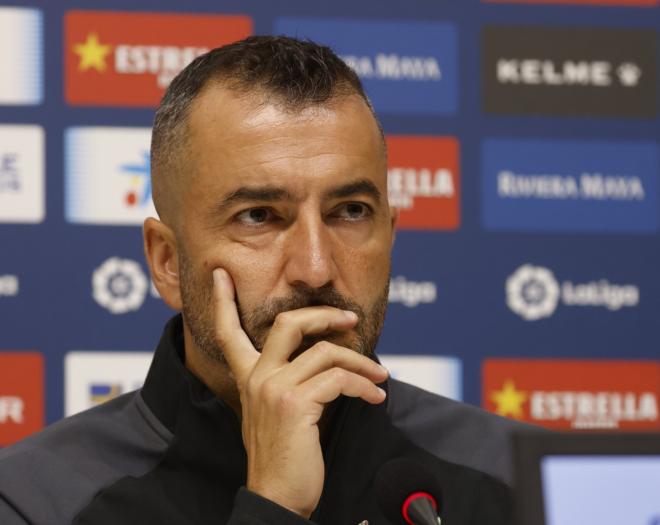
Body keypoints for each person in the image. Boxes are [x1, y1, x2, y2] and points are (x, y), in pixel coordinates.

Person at [0, 36, 528, 524]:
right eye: (259, 216)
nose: (316, 268)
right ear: (167, 262)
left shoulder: (521, 478)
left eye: (349, 211)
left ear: (389, 236)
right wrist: (272, 506)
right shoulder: (34, 499)